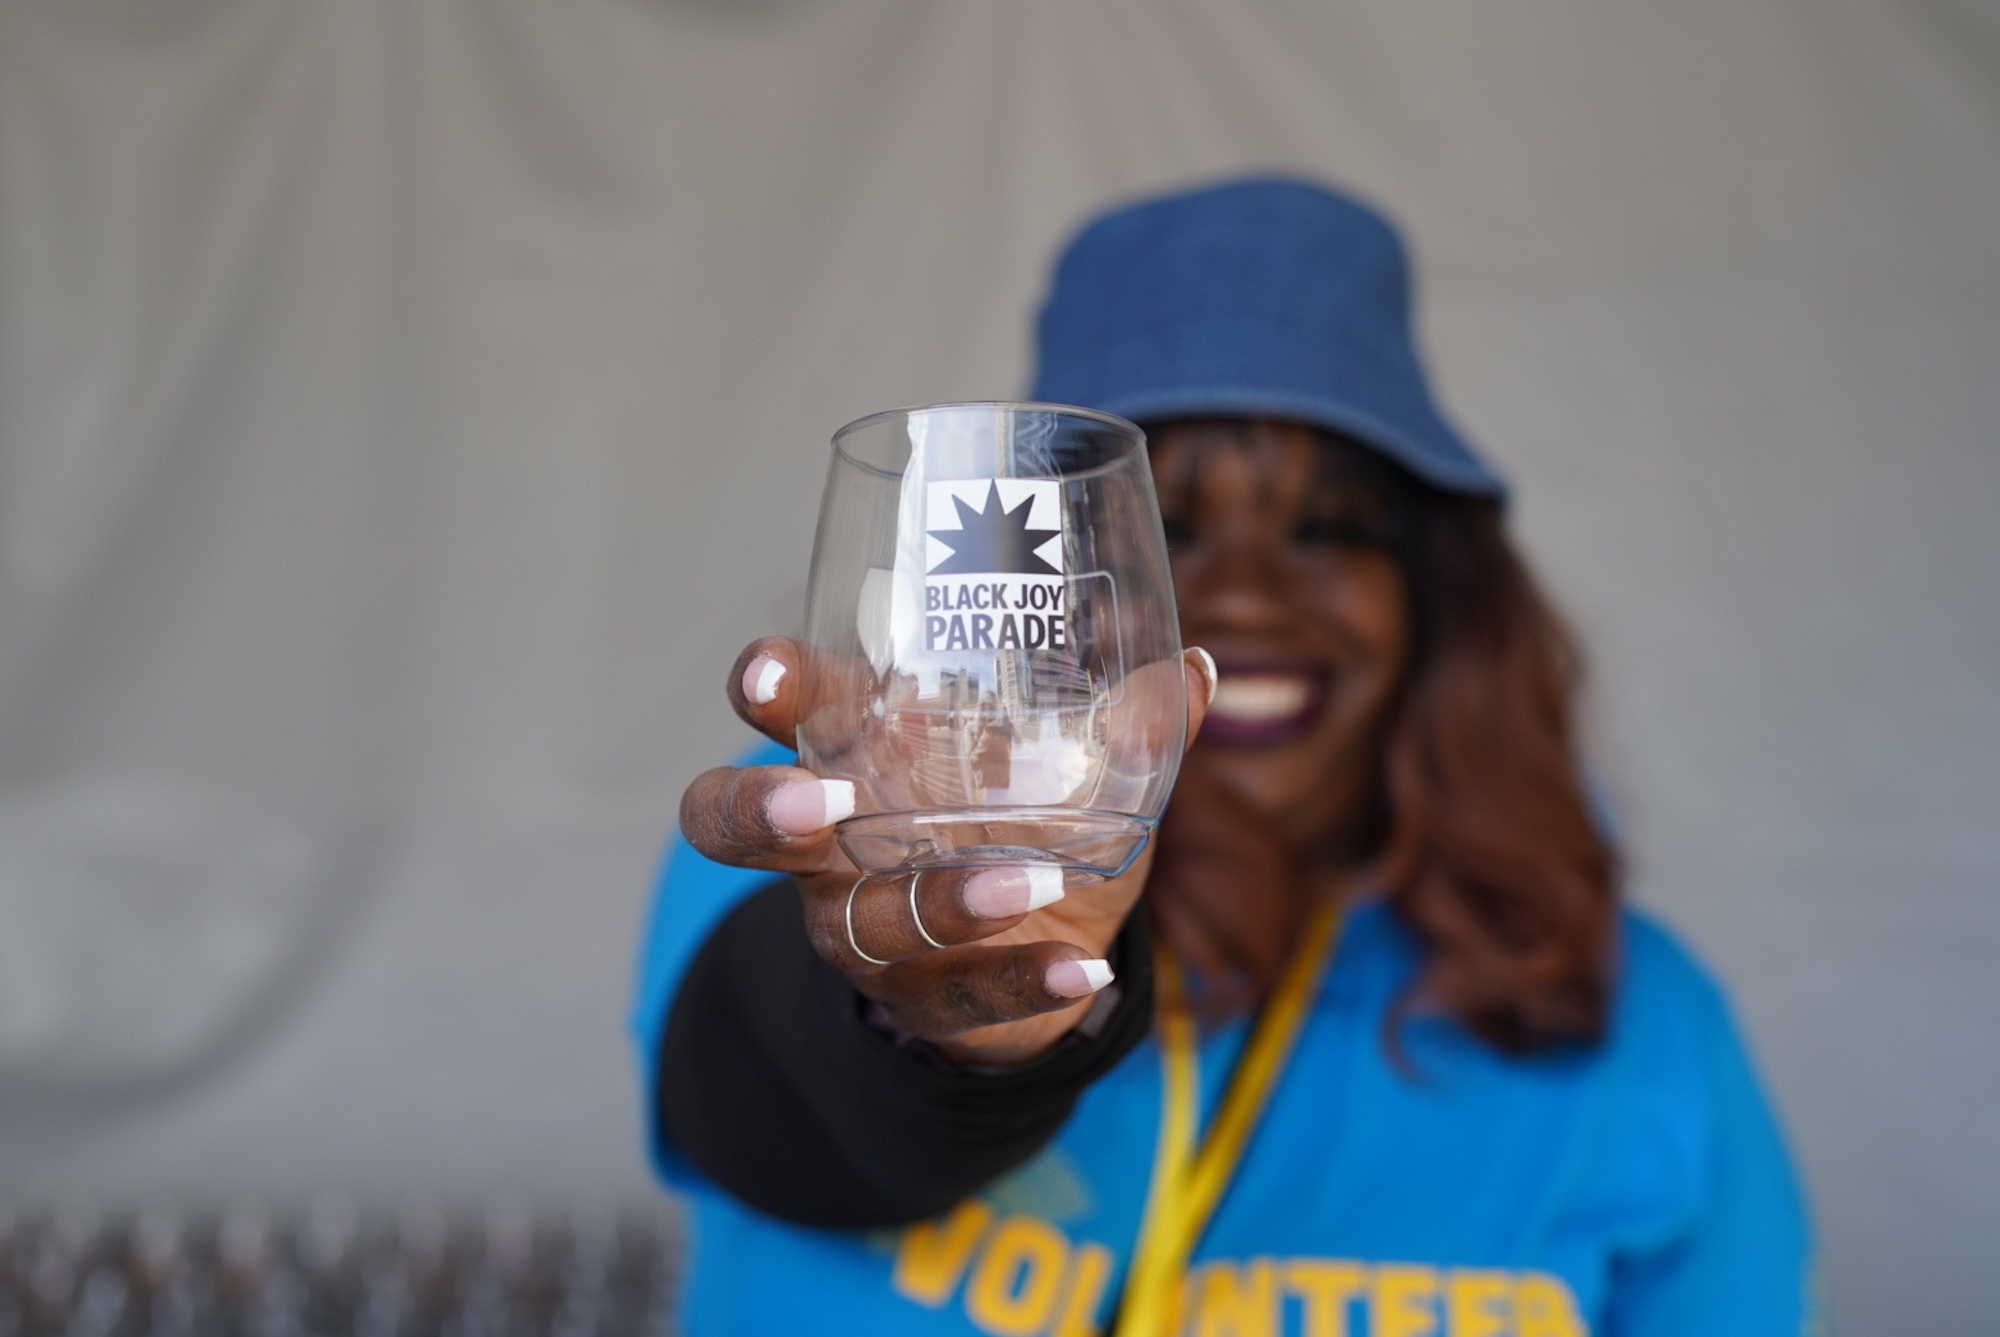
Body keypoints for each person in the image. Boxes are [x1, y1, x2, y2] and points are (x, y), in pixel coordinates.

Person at [632, 176, 1817, 1335]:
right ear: (1008, 581)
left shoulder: (1637, 1014)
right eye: (1166, 527)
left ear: (1432, 594)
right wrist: (946, 1029)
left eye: (1328, 525)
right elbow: (765, 1113)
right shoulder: (854, 833)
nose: (1244, 592)